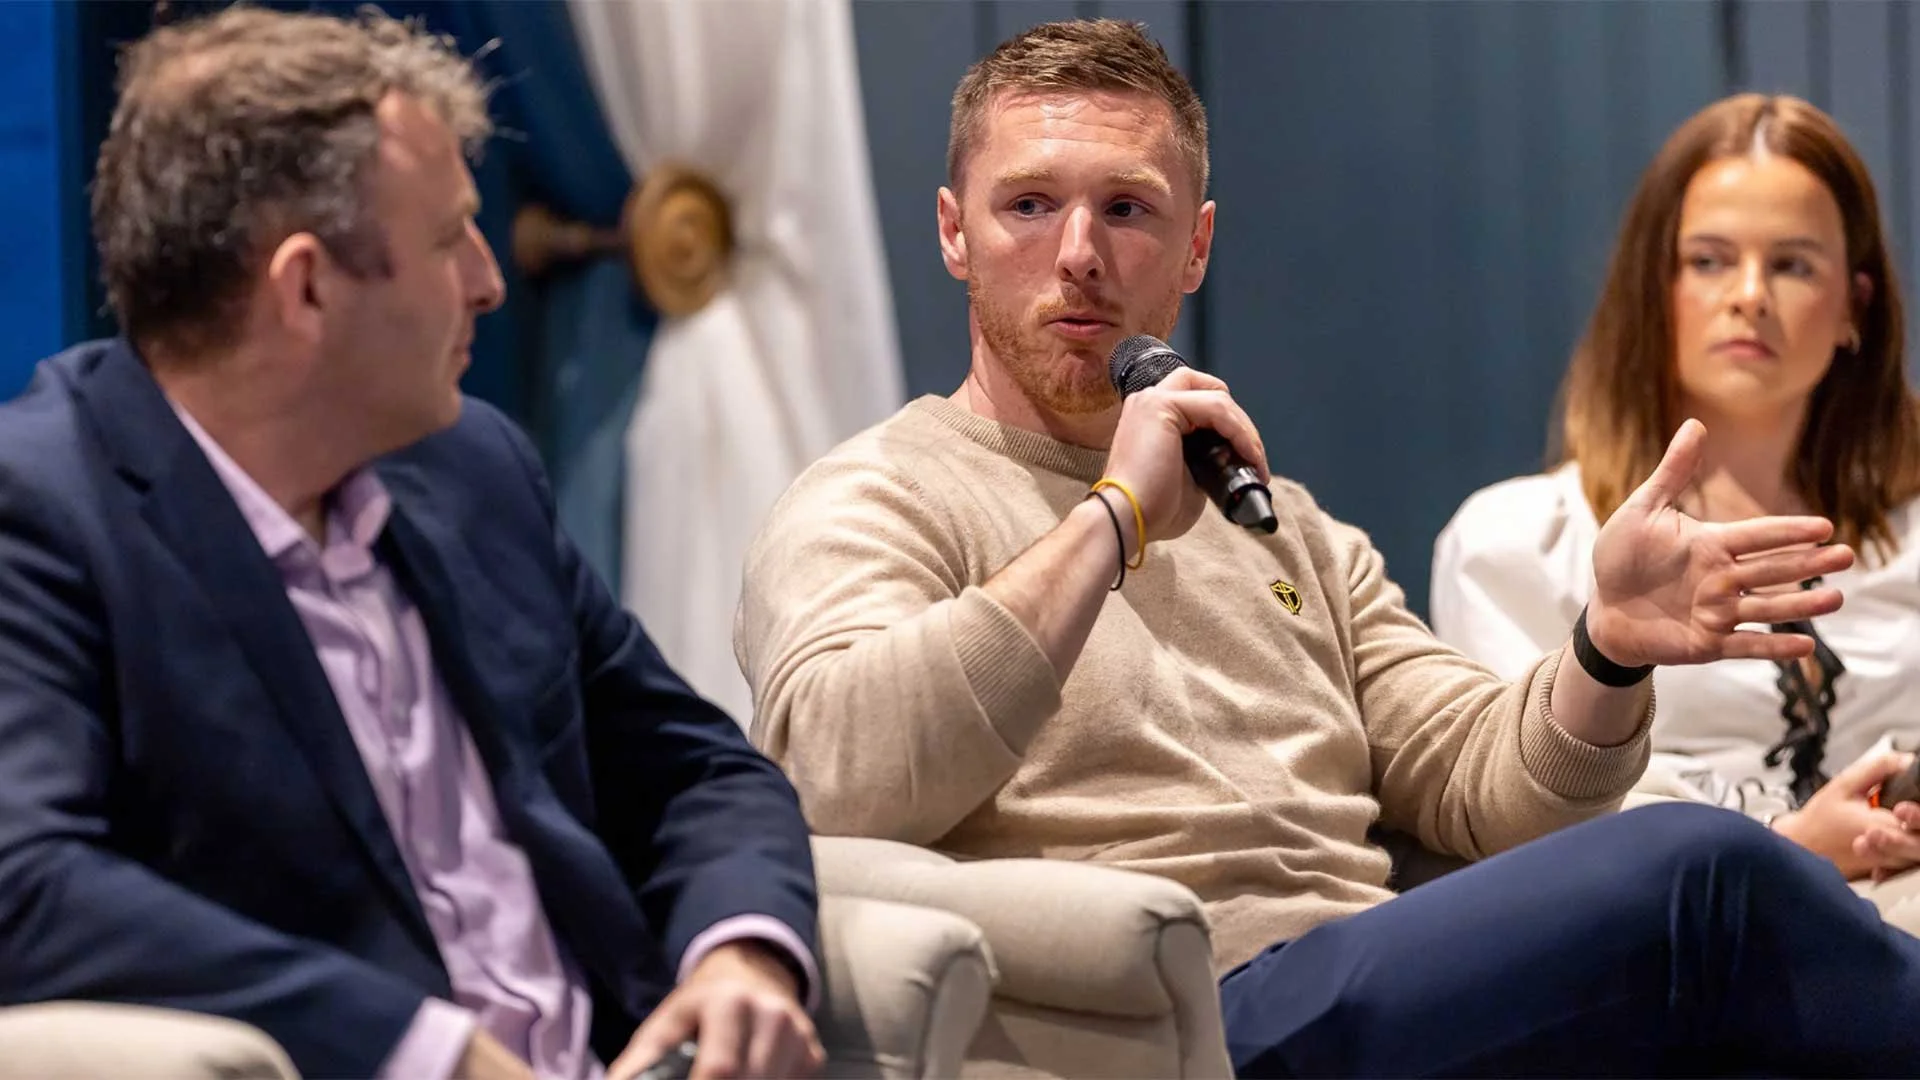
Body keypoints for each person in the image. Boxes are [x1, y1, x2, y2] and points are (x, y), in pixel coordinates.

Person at [736, 18, 1920, 1076]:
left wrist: (1605, 650)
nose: (1081, 253)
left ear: (1195, 249)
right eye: (1030, 205)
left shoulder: (1281, 519)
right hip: (1190, 1015)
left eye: (1128, 209)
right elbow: (836, 777)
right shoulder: (872, 497)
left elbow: (1475, 779)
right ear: (955, 231)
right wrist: (1111, 520)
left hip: (1372, 983)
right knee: (1703, 876)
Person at [0, 9, 823, 1080]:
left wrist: (741, 956)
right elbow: (22, 884)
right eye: (447, 238)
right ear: (304, 289)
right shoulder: (44, 513)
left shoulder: (470, 468)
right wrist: (424, 1051)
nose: (489, 279)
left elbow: (696, 773)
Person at [1432, 94, 1920, 912]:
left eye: (1794, 264)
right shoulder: (1517, 540)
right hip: (1661, 948)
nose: (1750, 295)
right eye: (1709, 260)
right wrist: (1795, 849)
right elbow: (1517, 832)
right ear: (1653, 292)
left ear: (1854, 310)